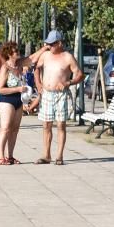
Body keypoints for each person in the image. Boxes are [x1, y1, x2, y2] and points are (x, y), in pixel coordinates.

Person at [35, 30, 85, 165]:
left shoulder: (67, 57)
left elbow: (80, 75)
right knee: (46, 125)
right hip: (47, 94)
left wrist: (68, 82)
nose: (49, 46)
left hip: (61, 95)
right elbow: (37, 68)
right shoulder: (45, 55)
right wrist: (38, 84)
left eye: (52, 44)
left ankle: (59, 156)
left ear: (59, 43)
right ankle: (46, 155)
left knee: (60, 125)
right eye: (48, 44)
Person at [0, 43, 42, 165]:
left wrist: (45, 48)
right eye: (15, 51)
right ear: (9, 54)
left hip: (19, 100)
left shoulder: (20, 64)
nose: (18, 52)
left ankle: (10, 156)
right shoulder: (5, 68)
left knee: (15, 130)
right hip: (7, 100)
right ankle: (0, 156)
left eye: (18, 50)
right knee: (5, 128)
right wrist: (17, 89)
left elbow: (33, 58)